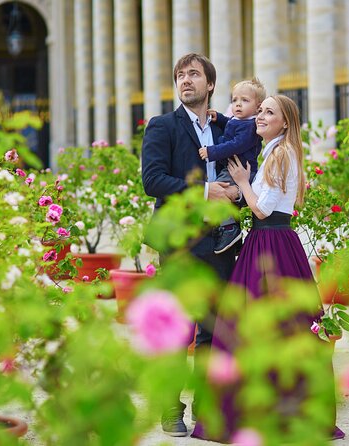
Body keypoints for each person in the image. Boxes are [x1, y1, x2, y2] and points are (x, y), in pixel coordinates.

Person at [191, 95, 345, 442]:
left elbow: (261, 210)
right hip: (270, 242)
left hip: (271, 244)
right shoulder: (275, 152)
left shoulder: (280, 155)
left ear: (285, 122)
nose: (259, 116)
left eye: (268, 112)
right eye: (260, 111)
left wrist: (243, 182)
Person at [141, 53, 240, 437]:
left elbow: (245, 168)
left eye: (194, 74)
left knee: (213, 328)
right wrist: (204, 191)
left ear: (210, 84)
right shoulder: (162, 126)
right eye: (180, 75)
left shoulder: (227, 129)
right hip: (181, 241)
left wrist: (237, 193)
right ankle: (169, 410)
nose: (186, 80)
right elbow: (153, 179)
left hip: (223, 241)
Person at [198, 78, 265, 254]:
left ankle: (229, 229)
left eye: (244, 100)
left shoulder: (251, 127)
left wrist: (211, 152)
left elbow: (235, 145)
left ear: (258, 106)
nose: (238, 104)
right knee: (223, 199)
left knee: (219, 194)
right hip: (232, 168)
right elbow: (230, 124)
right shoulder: (241, 121)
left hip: (238, 169)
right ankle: (234, 241)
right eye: (234, 100)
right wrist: (219, 118)